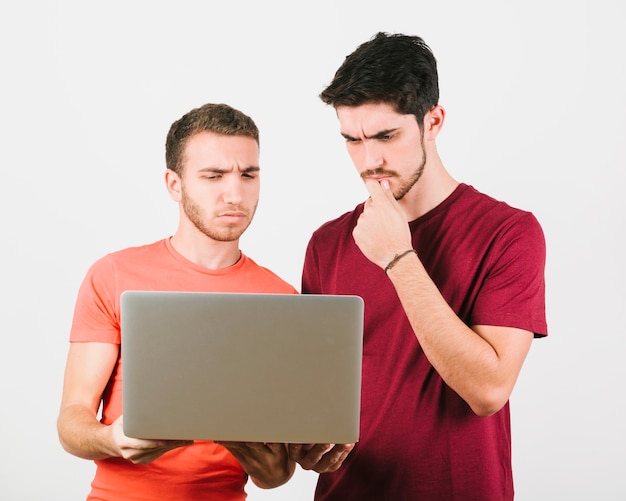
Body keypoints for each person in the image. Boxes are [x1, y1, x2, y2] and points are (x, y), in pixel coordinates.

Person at [288, 32, 547, 500]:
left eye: (387, 135)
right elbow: (316, 398)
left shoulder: (509, 232)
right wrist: (306, 446)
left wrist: (398, 258)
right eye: (352, 140)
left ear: (433, 121)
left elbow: (488, 390)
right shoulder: (327, 243)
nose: (370, 160)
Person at [57, 103, 297, 500]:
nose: (234, 193)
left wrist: (269, 465)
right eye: (214, 176)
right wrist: (111, 439)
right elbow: (71, 422)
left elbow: (275, 476)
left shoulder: (283, 299)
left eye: (248, 175)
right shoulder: (113, 275)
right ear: (175, 184)